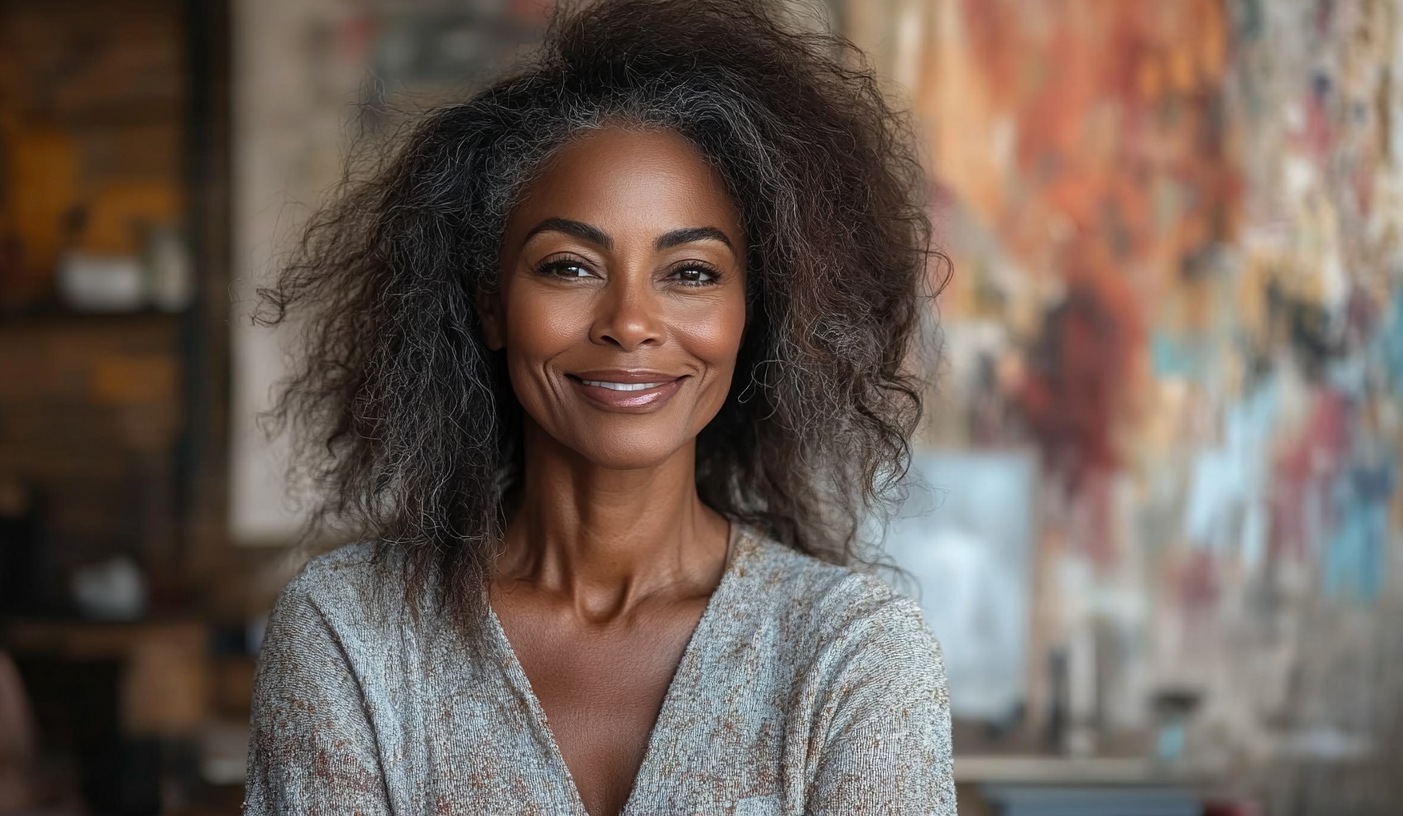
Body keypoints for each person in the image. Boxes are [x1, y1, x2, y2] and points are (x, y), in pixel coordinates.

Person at [244, 0, 953, 813]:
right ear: (490, 304)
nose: (629, 323)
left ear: (751, 313)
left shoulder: (851, 656)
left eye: (690, 273)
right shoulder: (351, 636)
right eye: (570, 267)